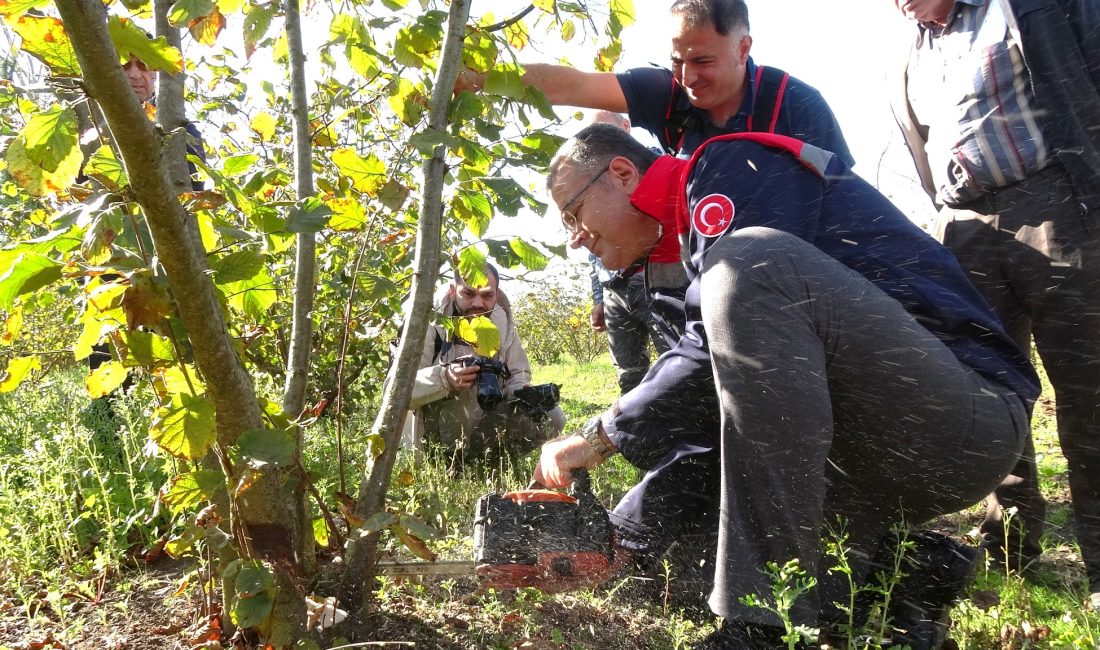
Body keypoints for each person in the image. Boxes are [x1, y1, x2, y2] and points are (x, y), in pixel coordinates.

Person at [534, 124, 1038, 647]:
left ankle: (759, 629)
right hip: (861, 461)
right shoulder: (672, 260)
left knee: (748, 262)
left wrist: (601, 434)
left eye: (573, 212)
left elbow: (714, 345)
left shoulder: (728, 170)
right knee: (664, 568)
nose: (574, 236)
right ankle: (907, 576)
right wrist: (627, 533)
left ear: (620, 173)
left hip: (960, 420)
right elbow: (721, 415)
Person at [890, 0, 1100, 607]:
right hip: (965, 226)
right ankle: (1010, 547)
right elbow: (923, 142)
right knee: (991, 393)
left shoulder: (1029, 7)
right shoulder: (905, 55)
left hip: (1057, 205)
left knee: (1089, 392)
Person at [458, 0, 853, 164]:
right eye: (677, 61)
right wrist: (476, 78)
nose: (689, 77)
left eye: (703, 61)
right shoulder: (666, 95)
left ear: (743, 48)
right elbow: (568, 86)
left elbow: (843, 199)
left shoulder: (795, 104)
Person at [401, 264, 566, 471]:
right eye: (468, 293)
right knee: (468, 389)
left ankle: (489, 465)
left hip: (484, 421)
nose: (478, 303)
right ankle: (446, 465)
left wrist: (521, 389)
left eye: (487, 295)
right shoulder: (426, 319)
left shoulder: (501, 320)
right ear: (453, 290)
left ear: (496, 295)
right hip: (431, 429)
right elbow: (396, 392)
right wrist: (445, 378)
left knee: (553, 417)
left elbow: (518, 372)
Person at [585, 111, 669, 395]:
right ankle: (638, 433)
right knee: (629, 373)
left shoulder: (657, 162)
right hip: (613, 290)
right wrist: (598, 298)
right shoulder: (593, 182)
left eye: (605, 130)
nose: (599, 140)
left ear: (625, 127)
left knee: (676, 357)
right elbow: (591, 244)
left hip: (654, 281)